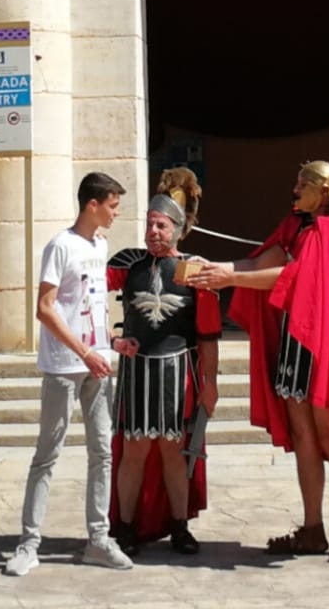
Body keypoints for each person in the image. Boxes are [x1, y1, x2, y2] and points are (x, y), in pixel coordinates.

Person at [189, 161, 329, 563]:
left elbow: (297, 277)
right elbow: (261, 263)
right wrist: (216, 270)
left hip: (325, 346)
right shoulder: (296, 225)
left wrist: (232, 280)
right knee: (303, 436)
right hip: (293, 342)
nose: (295, 191)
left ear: (324, 190)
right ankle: (312, 529)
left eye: (302, 185)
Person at [3, 172, 133, 578]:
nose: (116, 213)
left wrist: (111, 342)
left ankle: (98, 540)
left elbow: (91, 306)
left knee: (102, 452)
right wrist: (84, 352)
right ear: (92, 205)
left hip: (98, 365)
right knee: (48, 454)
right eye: (112, 205)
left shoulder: (100, 245)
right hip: (65, 365)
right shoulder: (60, 246)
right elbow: (45, 308)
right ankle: (28, 544)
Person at [107, 167, 220, 557]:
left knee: (175, 451)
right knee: (134, 450)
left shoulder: (194, 270)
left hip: (178, 375)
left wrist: (210, 383)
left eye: (161, 225)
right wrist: (109, 339)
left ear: (177, 228)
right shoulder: (128, 265)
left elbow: (207, 334)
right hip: (137, 373)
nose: (153, 232)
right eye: (149, 224)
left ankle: (179, 525)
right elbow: (85, 291)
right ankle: (125, 527)